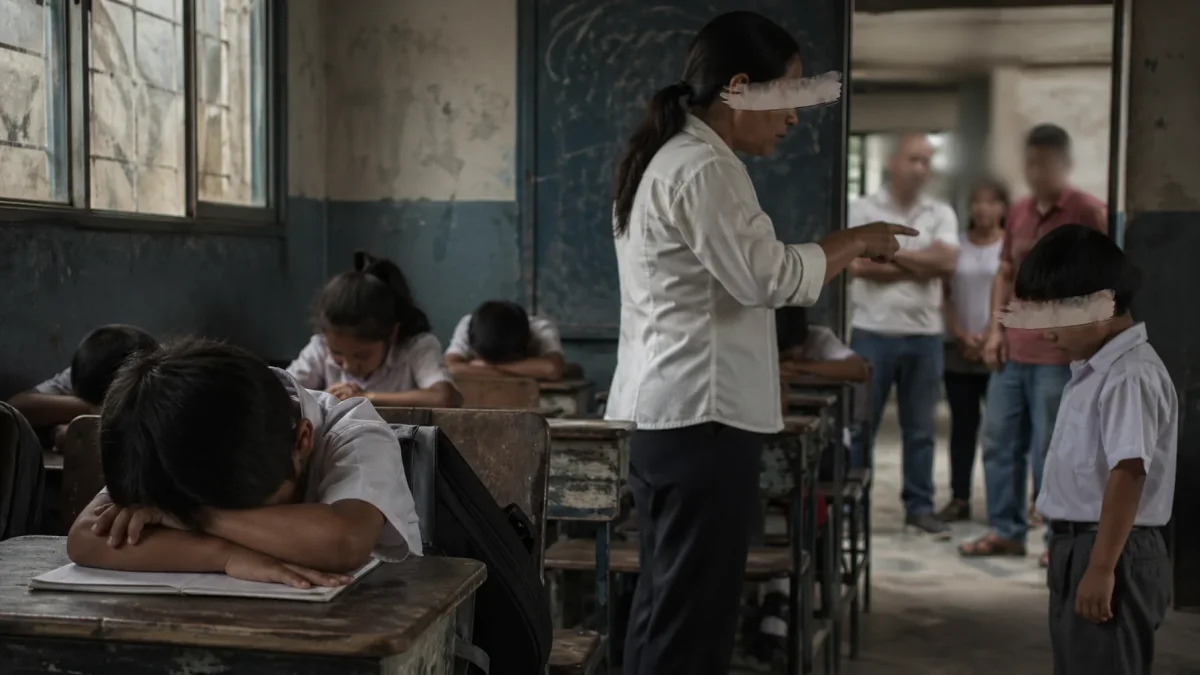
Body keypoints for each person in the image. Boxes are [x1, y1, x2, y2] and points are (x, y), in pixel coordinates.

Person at [604, 11, 915, 675]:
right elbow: (766, 276)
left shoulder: (670, 157)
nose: (796, 115)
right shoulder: (703, 168)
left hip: (675, 416)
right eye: (790, 94)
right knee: (690, 620)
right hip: (701, 421)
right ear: (741, 87)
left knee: (665, 606)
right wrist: (853, 240)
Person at [66, 338, 423, 587]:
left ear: (302, 440)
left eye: (252, 513)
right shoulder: (173, 429)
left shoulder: (354, 432)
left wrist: (193, 516)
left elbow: (344, 541)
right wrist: (225, 555)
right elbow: (86, 538)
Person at [1010, 224, 1173, 675]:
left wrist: (1101, 567)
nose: (1045, 333)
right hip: (1080, 544)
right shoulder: (1096, 368)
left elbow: (1128, 472)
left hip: (1110, 548)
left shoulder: (1129, 375)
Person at [961, 124, 1108, 564]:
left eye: (1044, 162)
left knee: (1053, 450)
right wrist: (995, 331)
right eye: (1030, 161)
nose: (1035, 170)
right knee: (999, 441)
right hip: (1014, 351)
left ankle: (1057, 541)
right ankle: (1006, 531)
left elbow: (1103, 284)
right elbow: (1004, 273)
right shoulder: (1021, 211)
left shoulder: (1088, 212)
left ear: (1064, 164)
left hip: (1058, 356)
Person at [847, 133, 960, 537]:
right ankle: (852, 510)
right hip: (872, 333)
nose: (921, 168)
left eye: (927, 161)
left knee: (921, 430)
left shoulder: (940, 211)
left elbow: (947, 263)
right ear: (893, 162)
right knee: (861, 427)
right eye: (914, 159)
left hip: (924, 335)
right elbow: (857, 266)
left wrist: (888, 255)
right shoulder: (862, 208)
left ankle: (919, 507)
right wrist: (921, 263)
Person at [288, 251, 461, 409]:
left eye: (362, 355)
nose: (348, 366)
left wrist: (366, 397)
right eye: (337, 355)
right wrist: (324, 397)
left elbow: (444, 397)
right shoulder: (320, 347)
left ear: (392, 334)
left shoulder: (416, 347)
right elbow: (281, 390)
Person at [937, 178, 1009, 522]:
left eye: (990, 202)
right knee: (962, 428)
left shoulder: (1007, 249)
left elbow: (1015, 293)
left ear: (1003, 209)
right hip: (959, 349)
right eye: (977, 202)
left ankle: (1003, 504)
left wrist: (993, 335)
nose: (983, 209)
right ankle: (960, 498)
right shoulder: (958, 246)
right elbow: (944, 293)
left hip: (998, 349)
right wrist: (960, 333)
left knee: (1001, 432)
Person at [8, 324, 158, 446]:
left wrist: (83, 434)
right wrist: (90, 411)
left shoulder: (155, 377)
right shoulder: (88, 367)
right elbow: (15, 407)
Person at [444, 300, 566, 381]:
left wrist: (484, 366)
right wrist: (526, 371)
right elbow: (449, 368)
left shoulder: (541, 329)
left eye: (506, 361)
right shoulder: (469, 325)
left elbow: (552, 369)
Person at [777, 306, 870, 382]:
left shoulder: (818, 337)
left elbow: (858, 369)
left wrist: (799, 367)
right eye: (786, 357)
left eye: (793, 357)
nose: (793, 358)